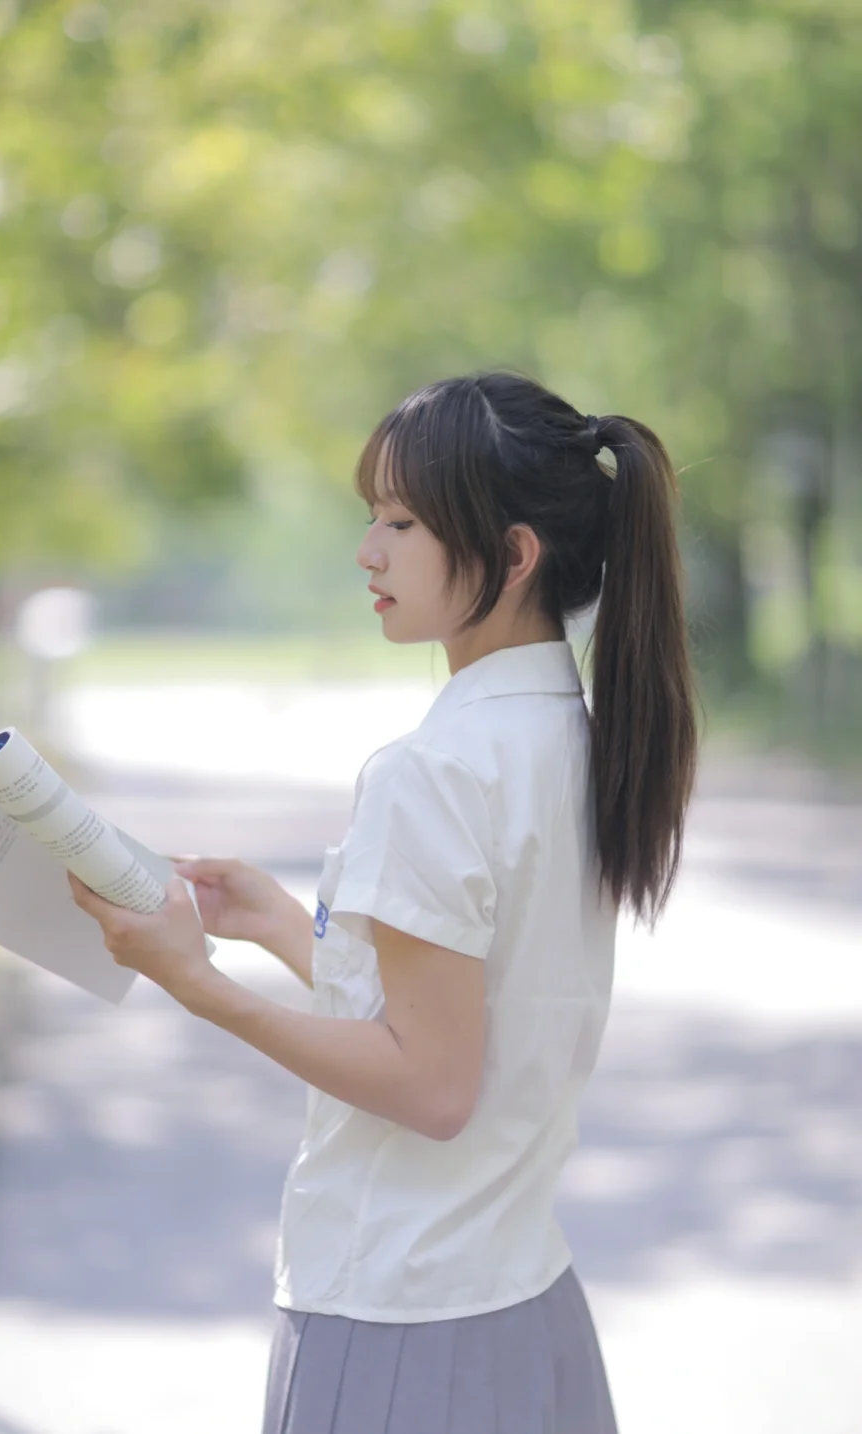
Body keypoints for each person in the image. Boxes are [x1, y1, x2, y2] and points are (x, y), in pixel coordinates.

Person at [69, 368, 699, 1433]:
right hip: (527, 1309)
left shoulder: (436, 770)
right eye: (373, 519)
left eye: (401, 522)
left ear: (512, 555)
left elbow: (432, 1085)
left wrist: (196, 983)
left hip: (403, 1325)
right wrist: (277, 925)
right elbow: (461, 1021)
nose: (369, 551)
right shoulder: (577, 744)